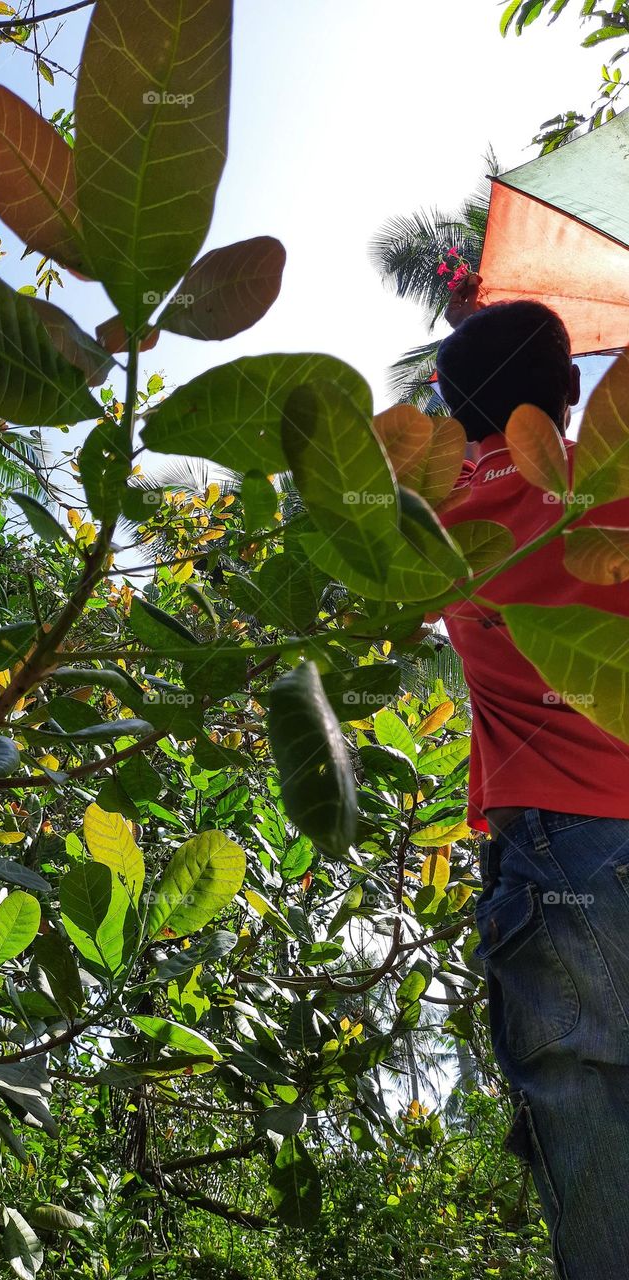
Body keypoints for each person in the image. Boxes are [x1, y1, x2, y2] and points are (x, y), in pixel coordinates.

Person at [434, 278, 629, 1279]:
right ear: (564, 397)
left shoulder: (442, 518)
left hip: (559, 858)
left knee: (589, 1135)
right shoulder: (610, 485)